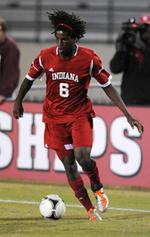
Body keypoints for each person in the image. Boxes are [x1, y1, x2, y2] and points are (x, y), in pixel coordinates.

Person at [13, 10, 144, 221]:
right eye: (58, 39)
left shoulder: (88, 59)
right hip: (54, 120)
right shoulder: (45, 56)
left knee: (83, 157)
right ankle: (90, 210)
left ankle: (98, 188)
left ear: (74, 39)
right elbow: (29, 79)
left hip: (78, 115)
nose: (60, 44)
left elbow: (108, 86)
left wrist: (128, 116)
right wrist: (18, 101)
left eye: (65, 40)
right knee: (69, 164)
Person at [110, 15, 150, 105]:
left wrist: (144, 48)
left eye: (147, 28)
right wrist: (121, 48)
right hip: (130, 100)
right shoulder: (129, 47)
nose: (146, 32)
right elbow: (115, 68)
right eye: (143, 28)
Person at [0, 17, 20, 104]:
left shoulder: (10, 47)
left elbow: (11, 73)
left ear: (4, 32)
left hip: (4, 97)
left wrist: (4, 94)